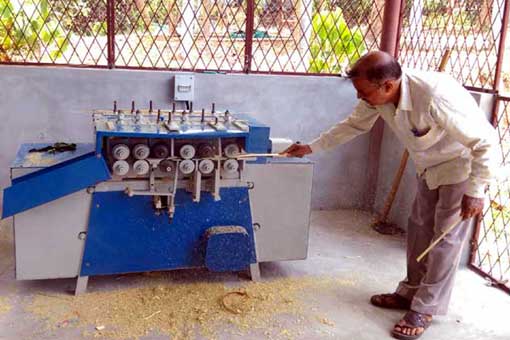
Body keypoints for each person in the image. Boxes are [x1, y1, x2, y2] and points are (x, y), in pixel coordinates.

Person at [283, 51, 498, 340]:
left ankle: (426, 307)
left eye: (363, 92)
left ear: (387, 85)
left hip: (463, 167)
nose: (360, 98)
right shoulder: (378, 97)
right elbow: (352, 125)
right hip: (428, 167)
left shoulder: (433, 95)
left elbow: (485, 141)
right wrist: (311, 147)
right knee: (419, 230)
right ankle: (409, 292)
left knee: (444, 240)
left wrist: (476, 190)